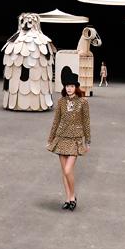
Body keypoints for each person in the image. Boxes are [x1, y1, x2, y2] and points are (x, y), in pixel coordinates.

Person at [47, 66, 91, 211]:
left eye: (72, 86)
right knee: (64, 171)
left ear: (76, 87)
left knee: (68, 170)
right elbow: (56, 121)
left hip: (75, 140)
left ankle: (73, 195)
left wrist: (88, 141)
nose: (69, 88)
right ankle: (68, 199)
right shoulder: (61, 102)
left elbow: (86, 122)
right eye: (67, 86)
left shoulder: (83, 102)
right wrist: (51, 138)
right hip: (61, 138)